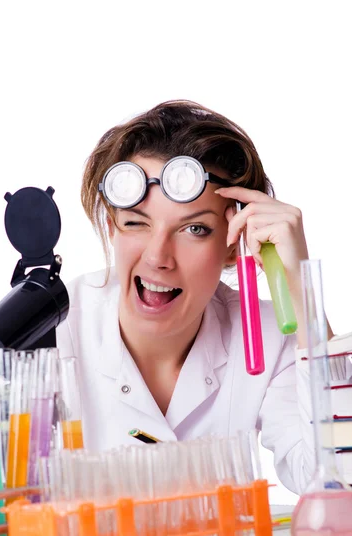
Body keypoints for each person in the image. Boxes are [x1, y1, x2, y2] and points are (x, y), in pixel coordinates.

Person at [57, 99, 348, 495]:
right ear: (113, 228)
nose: (158, 257)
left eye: (194, 229)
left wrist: (300, 286)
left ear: (234, 245)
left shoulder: (268, 335)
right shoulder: (55, 329)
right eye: (136, 224)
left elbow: (333, 481)